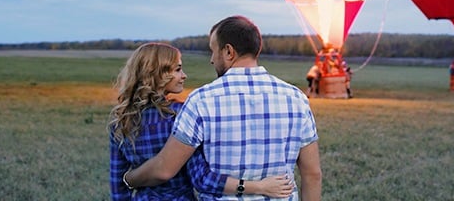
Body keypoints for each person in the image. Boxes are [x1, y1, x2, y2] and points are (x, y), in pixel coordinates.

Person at [124, 16, 322, 200]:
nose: (211, 59)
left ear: (228, 52)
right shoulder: (296, 98)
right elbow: (312, 174)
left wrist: (129, 179)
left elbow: (164, 169)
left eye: (213, 50)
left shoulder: (201, 100)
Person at [108, 42, 294, 200]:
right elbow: (202, 179)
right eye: (178, 69)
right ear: (158, 74)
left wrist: (130, 181)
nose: (184, 75)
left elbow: (118, 185)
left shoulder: (120, 121)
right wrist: (259, 187)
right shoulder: (180, 114)